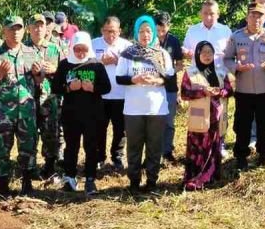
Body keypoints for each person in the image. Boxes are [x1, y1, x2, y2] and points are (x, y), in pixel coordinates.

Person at [0, 16, 43, 196]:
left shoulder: (32, 52)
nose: (15, 32)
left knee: (28, 146)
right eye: (11, 29)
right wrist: (0, 73)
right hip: (2, 112)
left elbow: (39, 81)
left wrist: (39, 74)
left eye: (19, 29)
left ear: (24, 30)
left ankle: (27, 181)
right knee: (1, 148)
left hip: (26, 110)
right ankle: (3, 184)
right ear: (4, 31)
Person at [116, 15, 174, 193]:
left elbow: (170, 80)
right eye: (141, 31)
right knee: (134, 147)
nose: (145, 35)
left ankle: (151, 182)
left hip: (156, 109)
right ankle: (134, 182)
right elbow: (119, 78)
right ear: (136, 32)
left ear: (154, 32)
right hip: (133, 109)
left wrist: (158, 81)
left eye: (148, 31)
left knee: (154, 147)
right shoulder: (127, 53)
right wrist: (134, 79)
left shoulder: (162, 54)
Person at [52, 32, 111, 196]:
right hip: (71, 114)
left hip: (93, 114)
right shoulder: (65, 65)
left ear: (89, 48)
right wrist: (70, 88)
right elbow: (55, 87)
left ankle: (90, 179)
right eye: (77, 49)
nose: (81, 53)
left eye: (84, 49)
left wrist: (93, 88)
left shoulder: (96, 65)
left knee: (91, 147)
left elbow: (106, 87)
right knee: (71, 147)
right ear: (72, 48)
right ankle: (70, 178)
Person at [224, 2, 265, 170]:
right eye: (253, 15)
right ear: (247, 16)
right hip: (244, 90)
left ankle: (263, 155)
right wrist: (236, 68)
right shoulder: (236, 36)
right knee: (242, 125)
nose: (256, 19)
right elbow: (226, 58)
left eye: (259, 15)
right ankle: (241, 156)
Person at [181, 41, 233, 189]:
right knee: (197, 148)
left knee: (214, 146)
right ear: (197, 54)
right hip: (199, 117)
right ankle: (195, 178)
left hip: (216, 116)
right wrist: (202, 92)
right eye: (203, 52)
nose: (207, 55)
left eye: (210, 52)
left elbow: (229, 90)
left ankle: (211, 176)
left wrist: (220, 92)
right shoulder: (190, 72)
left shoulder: (220, 71)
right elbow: (184, 93)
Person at [26, 12, 63, 180]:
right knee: (29, 134)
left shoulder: (54, 48)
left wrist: (55, 70)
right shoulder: (23, 48)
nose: (38, 28)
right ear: (29, 29)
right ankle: (30, 168)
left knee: (51, 134)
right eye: (35, 25)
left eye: (41, 25)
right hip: (28, 99)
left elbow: (66, 71)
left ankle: (49, 166)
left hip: (49, 99)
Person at [93, 16, 132, 171]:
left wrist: (118, 62)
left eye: (114, 32)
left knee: (120, 129)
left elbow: (133, 69)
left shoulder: (127, 46)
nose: (110, 35)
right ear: (102, 30)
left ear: (119, 31)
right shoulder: (93, 44)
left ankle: (117, 157)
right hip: (100, 96)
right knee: (99, 128)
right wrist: (100, 62)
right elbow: (85, 65)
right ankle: (99, 157)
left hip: (121, 95)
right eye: (107, 31)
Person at [155, 12, 185, 163]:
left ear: (169, 26)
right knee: (153, 121)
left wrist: (172, 71)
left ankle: (167, 151)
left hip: (170, 86)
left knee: (169, 120)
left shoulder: (173, 41)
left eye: (164, 27)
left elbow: (180, 64)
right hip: (152, 86)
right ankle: (153, 152)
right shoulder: (148, 40)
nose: (161, 30)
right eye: (158, 26)